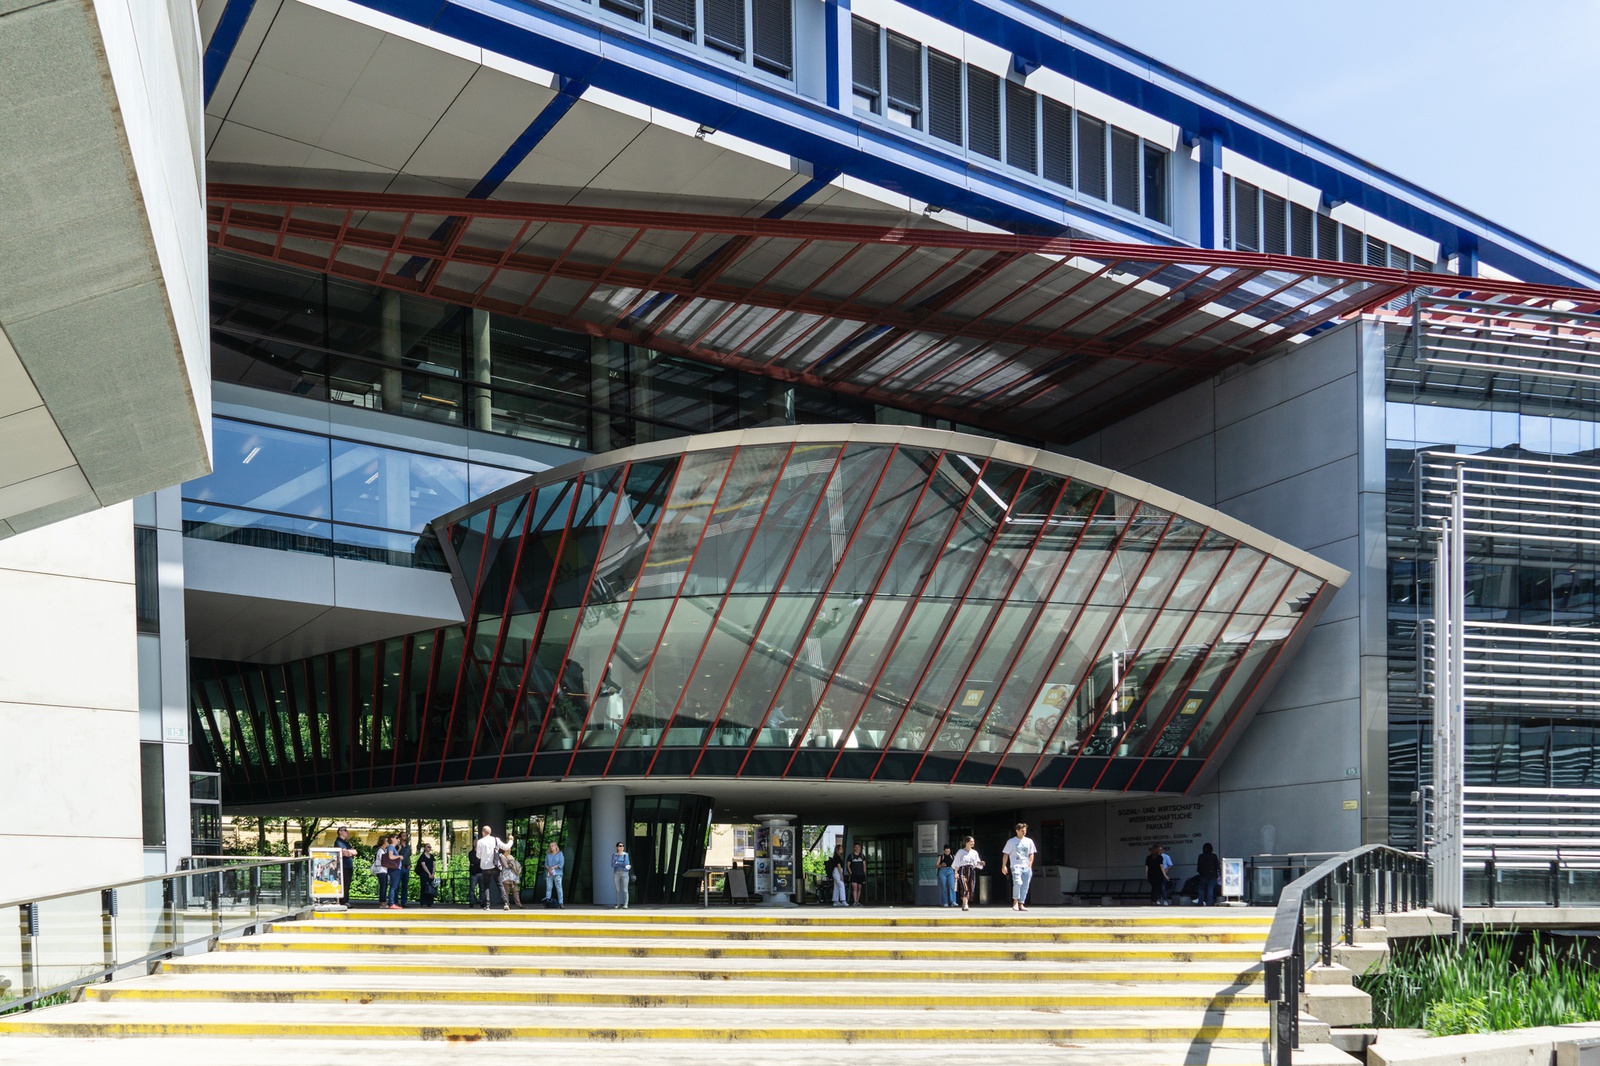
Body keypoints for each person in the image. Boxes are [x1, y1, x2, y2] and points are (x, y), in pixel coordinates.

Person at [474, 824, 514, 911]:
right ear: (490, 832)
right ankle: (506, 903)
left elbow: (478, 856)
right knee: (500, 884)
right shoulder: (496, 839)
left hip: (485, 867)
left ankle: (487, 905)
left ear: (483, 832)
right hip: (495, 866)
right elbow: (506, 847)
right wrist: (511, 840)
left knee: (486, 886)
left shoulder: (480, 842)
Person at [1000, 822, 1037, 912]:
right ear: (1017, 831)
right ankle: (1015, 901)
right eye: (1022, 831)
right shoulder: (1011, 841)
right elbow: (1006, 854)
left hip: (1026, 866)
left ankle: (1021, 903)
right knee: (1017, 882)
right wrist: (1004, 866)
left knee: (1025, 885)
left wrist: (1030, 864)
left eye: (1025, 830)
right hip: (1016, 865)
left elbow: (1031, 853)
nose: (1024, 832)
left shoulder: (1029, 841)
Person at [952, 836, 984, 911]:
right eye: (971, 841)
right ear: (966, 842)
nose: (973, 843)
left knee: (970, 887)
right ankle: (965, 904)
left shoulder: (974, 852)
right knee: (964, 886)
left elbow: (977, 863)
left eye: (973, 841)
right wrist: (956, 872)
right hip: (962, 870)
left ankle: (965, 903)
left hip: (971, 870)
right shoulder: (960, 852)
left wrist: (981, 863)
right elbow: (956, 863)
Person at [334, 827, 357, 906]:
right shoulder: (338, 842)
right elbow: (345, 853)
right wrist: (349, 852)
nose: (347, 832)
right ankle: (343, 901)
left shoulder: (346, 843)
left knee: (347, 884)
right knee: (344, 884)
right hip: (343, 866)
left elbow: (355, 852)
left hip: (348, 866)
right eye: (345, 830)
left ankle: (345, 900)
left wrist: (348, 852)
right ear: (340, 832)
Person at [381, 834, 403, 909]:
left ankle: (393, 902)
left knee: (395, 886)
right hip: (394, 869)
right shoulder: (390, 847)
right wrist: (399, 856)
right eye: (396, 838)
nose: (398, 839)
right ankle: (391, 903)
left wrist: (398, 851)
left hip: (396, 869)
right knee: (393, 886)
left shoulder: (393, 848)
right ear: (392, 839)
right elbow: (391, 856)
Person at [1195, 843, 1221, 907]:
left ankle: (1200, 902)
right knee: (1210, 889)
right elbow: (1217, 866)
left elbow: (1199, 867)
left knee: (1201, 889)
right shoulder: (1214, 856)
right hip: (1212, 875)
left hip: (1203, 875)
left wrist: (1201, 873)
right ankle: (1209, 903)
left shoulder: (1201, 856)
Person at [543, 841, 565, 908]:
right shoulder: (548, 855)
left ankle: (561, 903)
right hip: (549, 873)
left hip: (557, 873)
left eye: (552, 845)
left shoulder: (560, 854)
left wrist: (552, 868)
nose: (551, 847)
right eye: (550, 846)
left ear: (556, 846)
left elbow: (561, 864)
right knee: (549, 888)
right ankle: (547, 902)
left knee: (559, 888)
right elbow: (545, 864)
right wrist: (548, 869)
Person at [370, 835, 391, 908]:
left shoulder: (384, 850)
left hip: (384, 870)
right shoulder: (380, 851)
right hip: (381, 870)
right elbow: (383, 860)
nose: (388, 842)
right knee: (383, 887)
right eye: (387, 841)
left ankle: (383, 901)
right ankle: (382, 902)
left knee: (384, 886)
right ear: (383, 842)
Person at [416, 843, 438, 908]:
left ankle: (430, 903)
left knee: (431, 888)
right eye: (428, 847)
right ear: (425, 848)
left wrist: (433, 873)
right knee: (424, 888)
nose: (429, 848)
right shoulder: (422, 856)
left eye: (430, 847)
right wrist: (428, 873)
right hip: (424, 874)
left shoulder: (432, 856)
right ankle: (423, 902)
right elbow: (423, 865)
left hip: (431, 874)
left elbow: (434, 865)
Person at [611, 841, 632, 909]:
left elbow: (625, 863)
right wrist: (620, 863)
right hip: (616, 873)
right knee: (617, 890)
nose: (622, 847)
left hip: (624, 873)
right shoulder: (614, 855)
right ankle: (618, 904)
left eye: (622, 846)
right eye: (620, 846)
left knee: (625, 889)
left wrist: (617, 863)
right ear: (617, 847)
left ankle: (626, 904)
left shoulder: (626, 855)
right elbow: (612, 864)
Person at [395, 832, 413, 908]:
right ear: (400, 837)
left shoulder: (408, 847)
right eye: (403, 835)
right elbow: (394, 855)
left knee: (405, 886)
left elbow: (408, 856)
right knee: (397, 885)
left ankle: (404, 902)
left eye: (406, 835)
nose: (405, 837)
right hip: (399, 867)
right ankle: (395, 902)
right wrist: (399, 849)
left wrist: (410, 864)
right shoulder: (397, 846)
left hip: (406, 867)